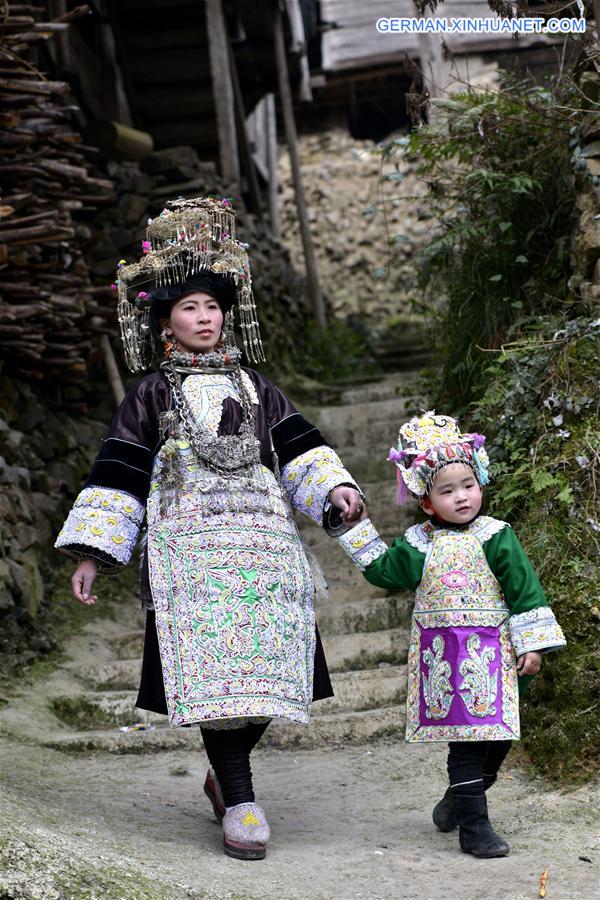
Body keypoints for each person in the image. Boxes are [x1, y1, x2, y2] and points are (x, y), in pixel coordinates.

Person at [55, 196, 366, 861]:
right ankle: (241, 796)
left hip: (263, 550)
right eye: (190, 307)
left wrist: (336, 489)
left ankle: (225, 777)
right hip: (188, 554)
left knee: (272, 675)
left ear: (227, 315)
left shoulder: (256, 387)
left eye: (213, 307)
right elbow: (120, 473)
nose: (205, 317)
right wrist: (92, 552)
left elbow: (300, 449)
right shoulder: (150, 395)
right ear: (165, 321)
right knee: (216, 678)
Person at [336, 411, 566, 859]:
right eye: (447, 491)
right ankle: (474, 828)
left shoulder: (497, 536)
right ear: (426, 502)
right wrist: (354, 530)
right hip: (446, 661)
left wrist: (532, 643)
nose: (461, 497)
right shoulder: (417, 544)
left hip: (496, 658)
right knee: (466, 744)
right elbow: (383, 572)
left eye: (468, 486)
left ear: (480, 483)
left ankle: (458, 801)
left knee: (498, 740)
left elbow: (524, 589)